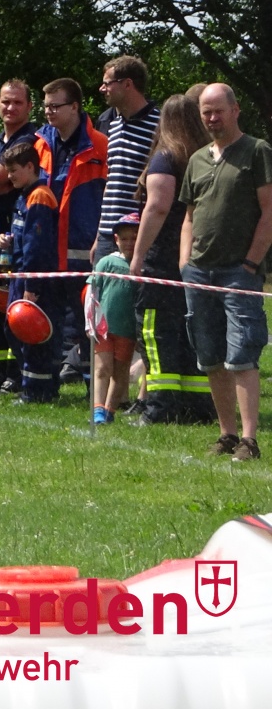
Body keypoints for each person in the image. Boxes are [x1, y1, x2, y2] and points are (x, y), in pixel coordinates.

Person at [178, 82, 272, 461]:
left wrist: (251, 261)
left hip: (239, 271)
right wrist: (185, 261)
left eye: (219, 110)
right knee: (211, 355)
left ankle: (250, 440)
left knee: (243, 353)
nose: (212, 118)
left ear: (235, 110)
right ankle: (227, 434)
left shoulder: (258, 151)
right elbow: (188, 216)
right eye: (206, 113)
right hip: (199, 272)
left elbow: (269, 211)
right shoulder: (198, 159)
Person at [129, 91, 214, 424]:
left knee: (154, 331)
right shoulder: (205, 158)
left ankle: (160, 407)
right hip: (194, 258)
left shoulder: (165, 158)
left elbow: (157, 207)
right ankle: (198, 407)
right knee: (190, 331)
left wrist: (137, 256)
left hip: (162, 257)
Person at [34, 78, 109, 385]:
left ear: (75, 106)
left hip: (84, 249)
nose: (49, 112)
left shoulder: (100, 146)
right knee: (49, 319)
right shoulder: (38, 144)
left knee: (87, 320)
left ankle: (95, 384)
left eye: (56, 106)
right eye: (46, 106)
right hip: (47, 249)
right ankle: (47, 381)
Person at [0, 80, 39, 392]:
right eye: (5, 102)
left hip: (16, 231)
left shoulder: (32, 138)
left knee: (12, 302)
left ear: (29, 106)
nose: (10, 108)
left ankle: (15, 369)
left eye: (16, 102)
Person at [0, 142, 61, 402]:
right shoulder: (24, 196)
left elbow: (38, 247)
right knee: (15, 331)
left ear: (30, 167)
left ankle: (39, 390)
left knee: (32, 334)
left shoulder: (40, 197)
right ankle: (32, 386)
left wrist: (31, 287)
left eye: (14, 170)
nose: (10, 176)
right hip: (20, 274)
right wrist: (7, 241)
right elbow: (24, 238)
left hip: (33, 280)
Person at [95, 56, 159, 263]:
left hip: (135, 235)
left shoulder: (159, 125)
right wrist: (99, 236)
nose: (102, 89)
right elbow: (111, 181)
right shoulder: (112, 124)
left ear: (127, 84)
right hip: (107, 234)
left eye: (107, 83)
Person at [86, 213, 142, 424]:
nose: (129, 243)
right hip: (103, 328)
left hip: (128, 330)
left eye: (134, 237)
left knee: (120, 373)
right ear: (116, 240)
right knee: (102, 368)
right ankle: (98, 409)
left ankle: (110, 410)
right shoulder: (107, 262)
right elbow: (92, 291)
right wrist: (89, 322)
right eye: (124, 238)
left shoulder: (142, 267)